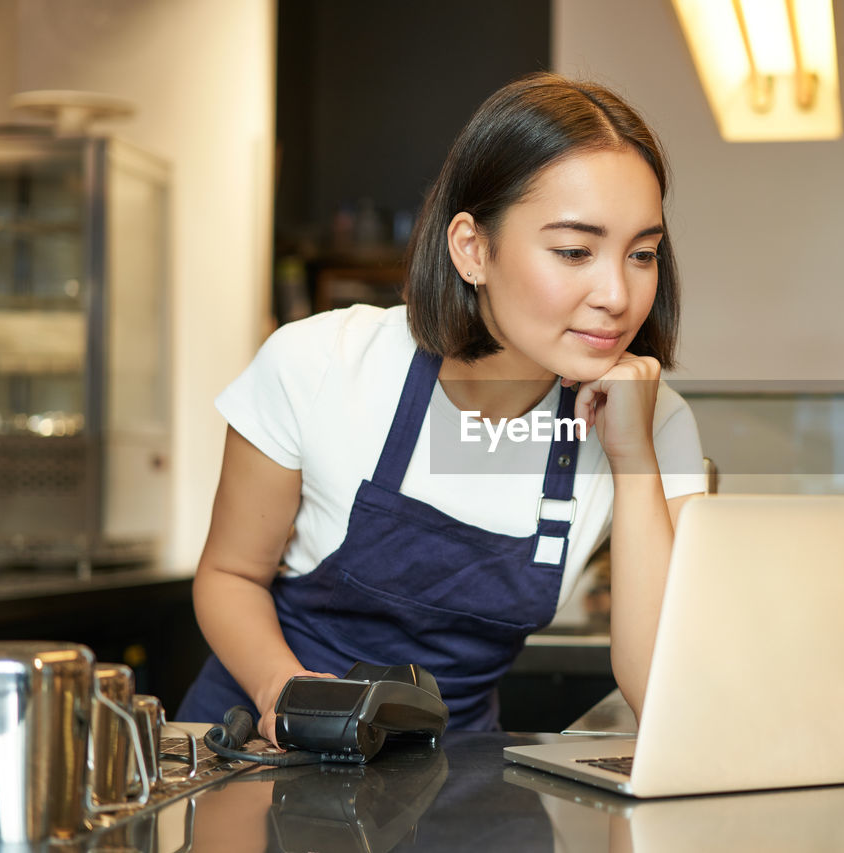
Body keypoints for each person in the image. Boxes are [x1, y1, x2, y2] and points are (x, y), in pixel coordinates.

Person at [176, 73, 706, 738]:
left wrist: (633, 458)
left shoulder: (658, 423)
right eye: (575, 250)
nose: (618, 294)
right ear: (472, 248)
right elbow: (228, 574)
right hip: (258, 747)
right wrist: (286, 691)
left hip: (453, 783)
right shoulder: (321, 364)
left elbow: (665, 689)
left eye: (642, 254)